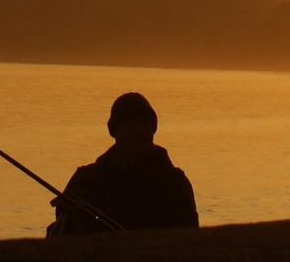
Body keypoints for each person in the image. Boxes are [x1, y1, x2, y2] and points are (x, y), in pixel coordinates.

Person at [47, 92, 197, 236]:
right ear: (114, 131)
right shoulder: (84, 180)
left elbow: (188, 239)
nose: (138, 131)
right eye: (130, 124)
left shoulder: (174, 183)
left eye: (144, 124)